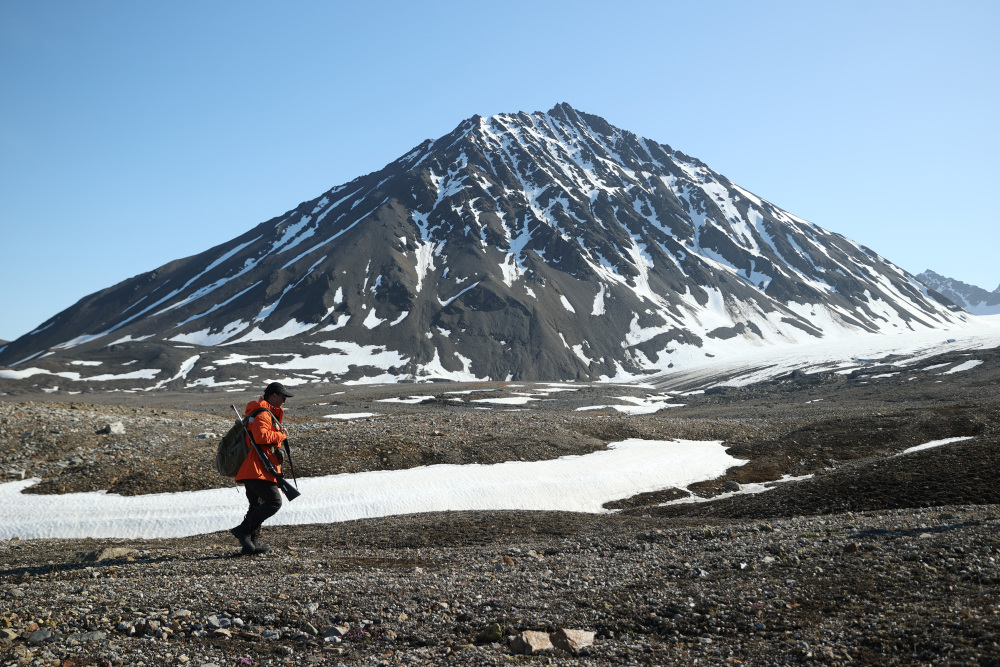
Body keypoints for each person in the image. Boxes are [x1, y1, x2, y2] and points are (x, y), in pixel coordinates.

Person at [230, 382, 293, 555]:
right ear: (273, 396)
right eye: (283, 397)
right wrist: (281, 435)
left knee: (256, 505)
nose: (284, 401)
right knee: (274, 502)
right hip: (257, 469)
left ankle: (251, 544)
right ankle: (243, 530)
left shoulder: (263, 412)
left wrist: (278, 437)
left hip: (253, 469)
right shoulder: (264, 413)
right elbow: (261, 437)